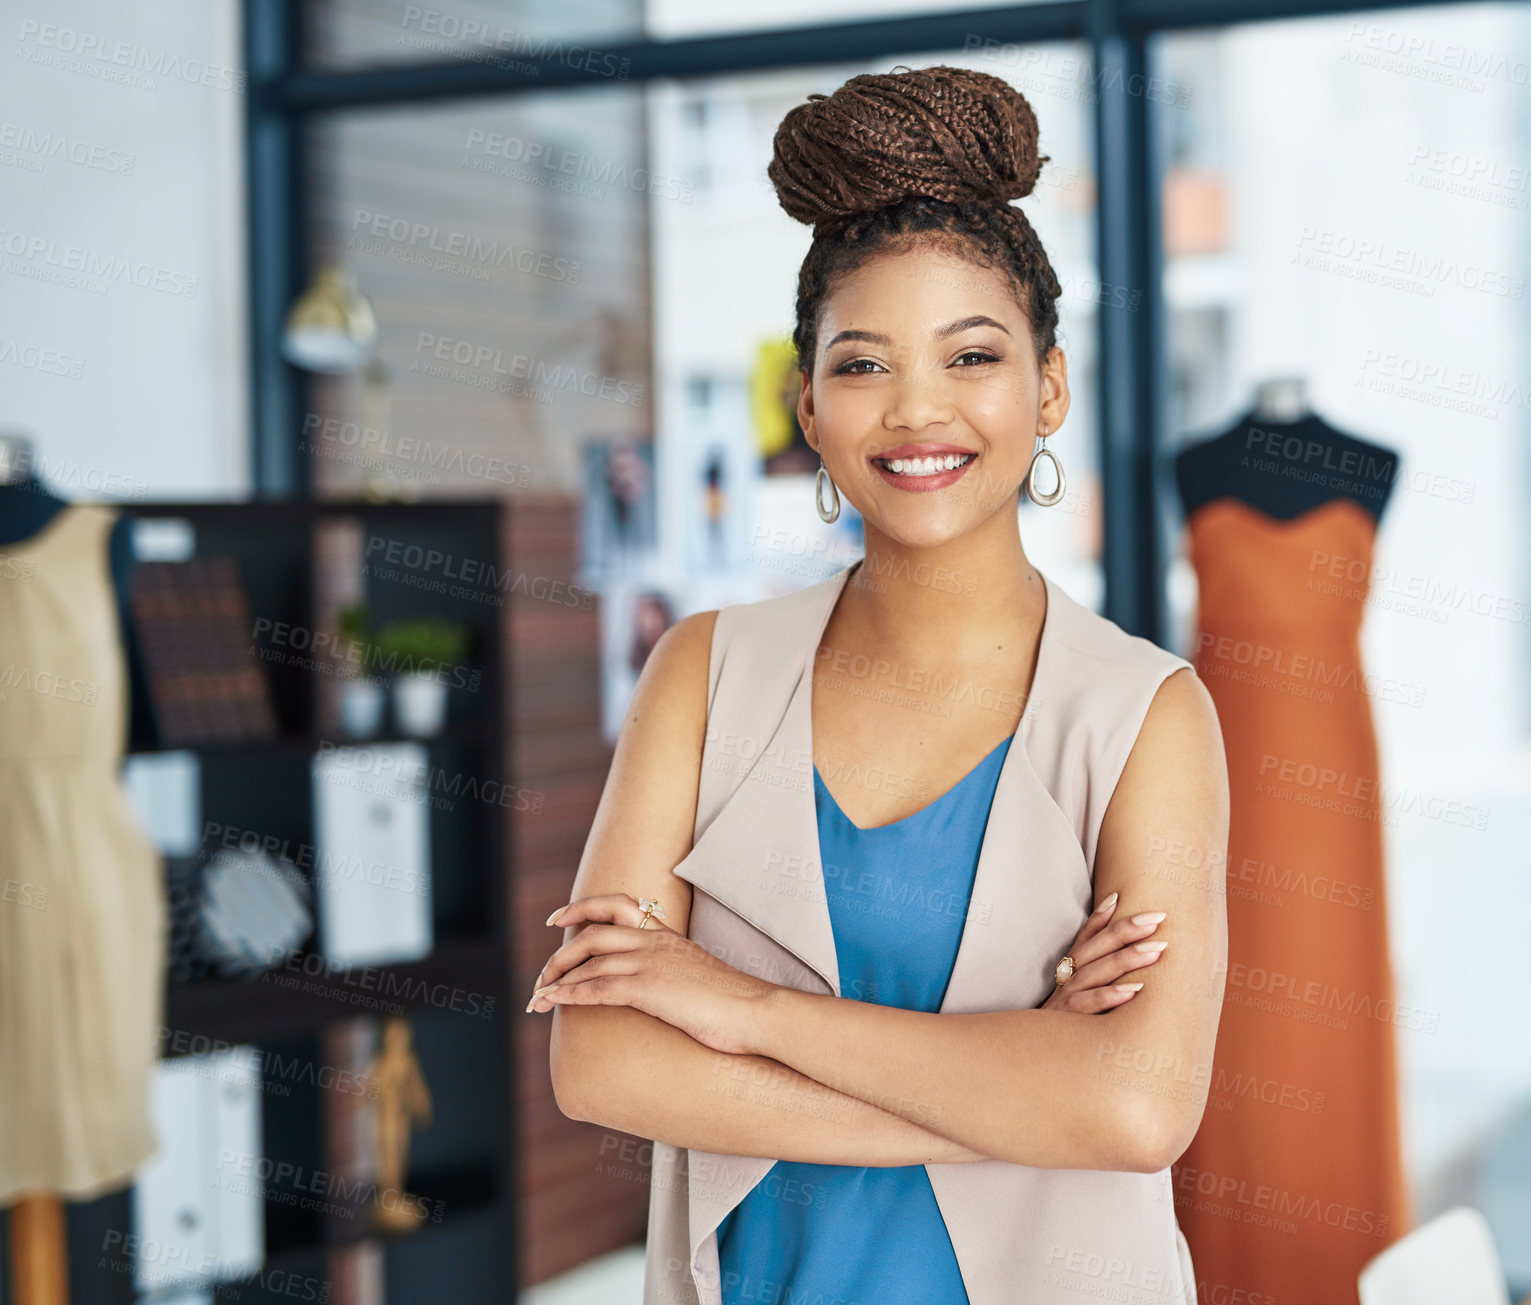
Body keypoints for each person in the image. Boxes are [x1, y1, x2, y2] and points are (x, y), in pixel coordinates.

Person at [529, 63, 1228, 1305]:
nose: (918, 411)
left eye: (972, 355)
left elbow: (1135, 1110)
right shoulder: (704, 673)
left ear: (1047, 387)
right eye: (861, 366)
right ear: (807, 404)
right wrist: (1017, 1092)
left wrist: (739, 1011)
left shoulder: (1142, 715)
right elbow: (601, 1064)